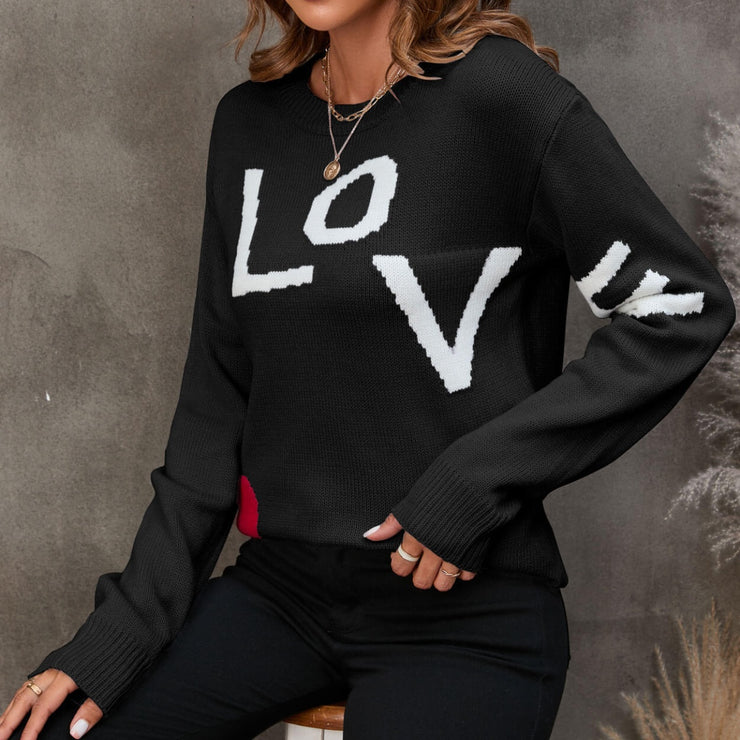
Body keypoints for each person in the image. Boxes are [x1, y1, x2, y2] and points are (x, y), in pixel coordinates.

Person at [1, 0, 736, 738]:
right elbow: (215, 397)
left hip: (465, 614)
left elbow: (679, 307)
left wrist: (475, 482)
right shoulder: (250, 123)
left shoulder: (504, 97)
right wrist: (121, 631)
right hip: (280, 593)